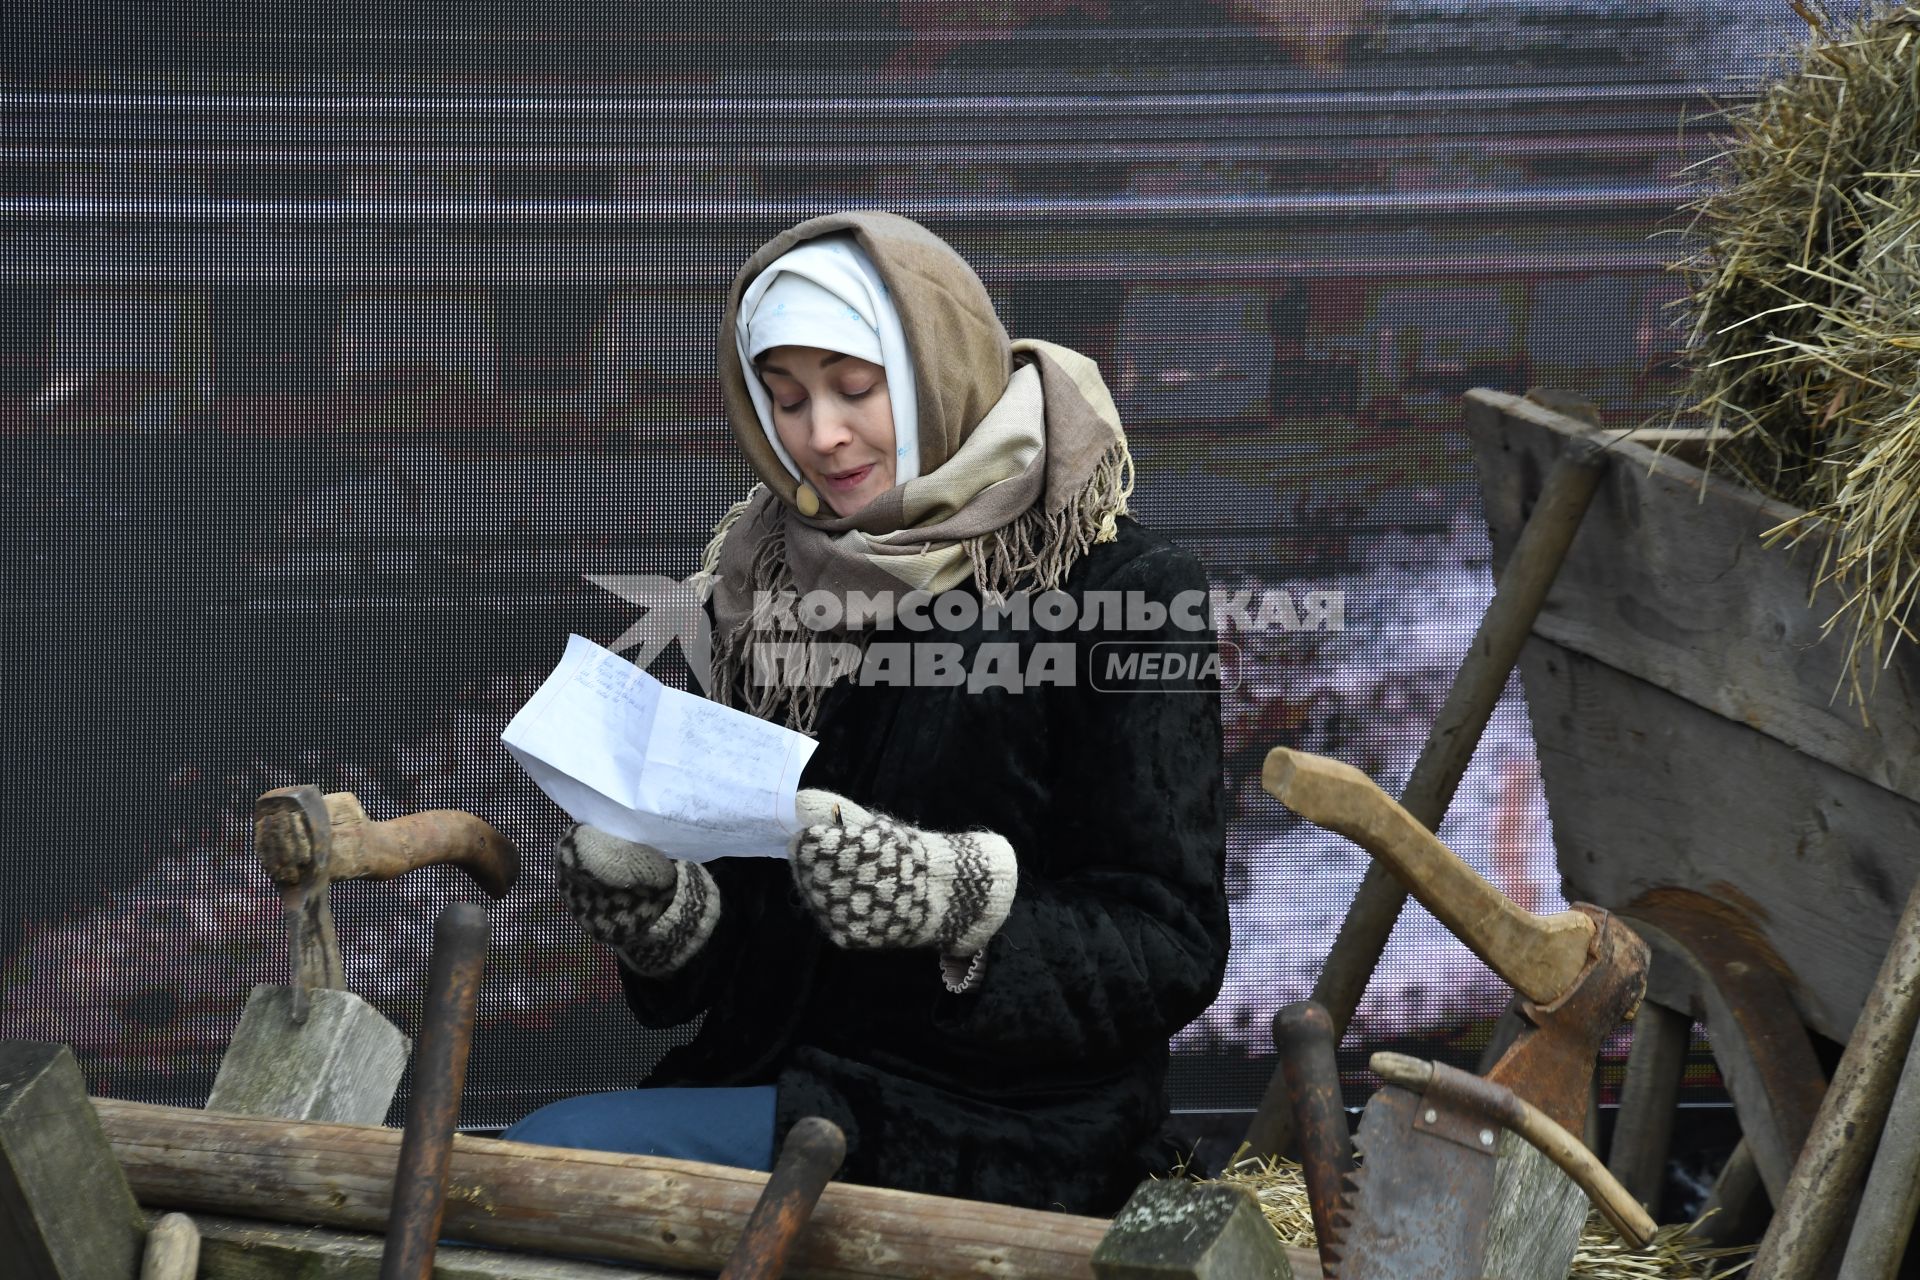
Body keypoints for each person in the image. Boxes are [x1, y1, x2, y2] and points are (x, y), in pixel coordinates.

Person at [506, 211, 1229, 1215]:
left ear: (935, 369)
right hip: (787, 1085)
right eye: (786, 397)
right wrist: (677, 915)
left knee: (538, 1166)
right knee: (512, 1166)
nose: (820, 434)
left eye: (856, 387)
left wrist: (962, 901)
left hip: (994, 1127)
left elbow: (1170, 944)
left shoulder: (1122, 582)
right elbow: (775, 905)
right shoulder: (766, 575)